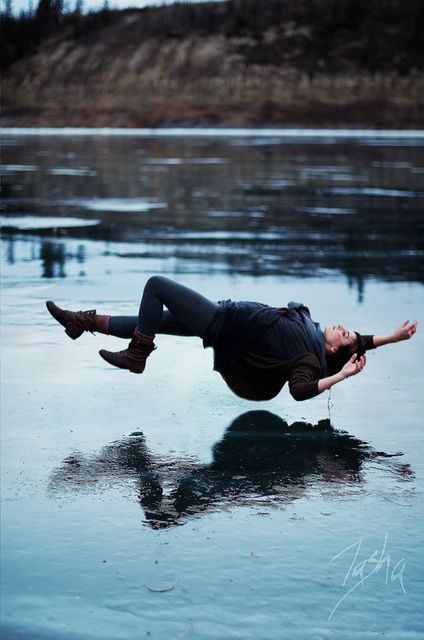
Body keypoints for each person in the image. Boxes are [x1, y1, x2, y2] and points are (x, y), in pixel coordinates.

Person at [46, 276, 418, 402]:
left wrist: (341, 376)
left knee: (155, 286)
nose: (342, 326)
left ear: (334, 349)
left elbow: (300, 392)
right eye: (346, 327)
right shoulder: (311, 325)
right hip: (224, 316)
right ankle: (81, 322)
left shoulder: (309, 357)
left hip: (223, 325)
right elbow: (363, 341)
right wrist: (393, 337)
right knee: (153, 320)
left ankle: (136, 357)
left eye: (344, 333)